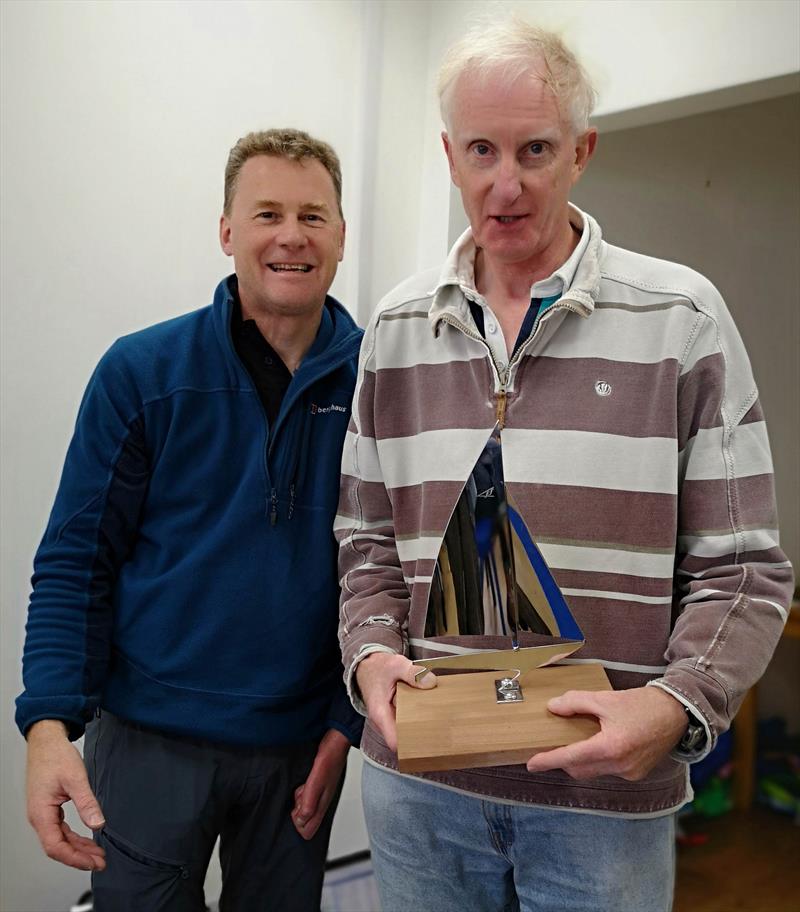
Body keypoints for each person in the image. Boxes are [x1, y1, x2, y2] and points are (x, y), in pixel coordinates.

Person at [336, 17, 793, 912]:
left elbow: (745, 569)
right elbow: (365, 541)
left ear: (581, 150)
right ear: (449, 154)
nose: (505, 184)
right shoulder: (394, 329)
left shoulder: (682, 319)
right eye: (481, 150)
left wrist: (672, 708)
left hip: (605, 807)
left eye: (535, 149)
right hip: (420, 789)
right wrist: (370, 654)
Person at [17, 128, 363, 912]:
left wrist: (346, 727)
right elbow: (77, 560)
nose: (290, 236)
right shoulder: (141, 374)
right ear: (226, 231)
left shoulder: (382, 387)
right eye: (266, 212)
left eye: (313, 215)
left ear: (341, 234)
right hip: (147, 740)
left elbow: (390, 573)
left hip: (299, 747)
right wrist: (46, 726)